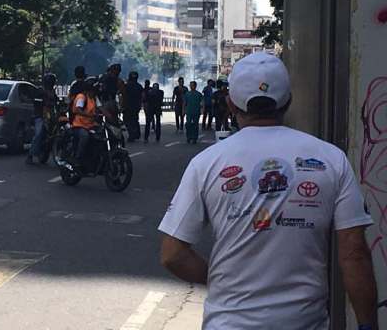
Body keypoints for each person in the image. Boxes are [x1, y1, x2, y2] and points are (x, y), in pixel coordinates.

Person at [159, 53, 378, 330]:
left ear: (230, 103)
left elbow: (172, 254)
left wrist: (222, 280)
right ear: (288, 101)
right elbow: (354, 254)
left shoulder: (206, 163)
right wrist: (368, 325)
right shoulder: (331, 159)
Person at [26, 73, 58, 164]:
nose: (51, 83)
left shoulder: (53, 92)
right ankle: (30, 155)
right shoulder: (40, 91)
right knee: (39, 133)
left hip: (51, 115)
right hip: (40, 115)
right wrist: (43, 103)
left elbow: (57, 102)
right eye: (50, 82)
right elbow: (36, 101)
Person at [71, 77, 99, 171]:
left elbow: (101, 108)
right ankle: (78, 159)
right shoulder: (81, 97)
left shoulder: (94, 98)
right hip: (79, 125)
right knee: (85, 136)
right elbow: (78, 109)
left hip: (91, 125)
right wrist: (90, 115)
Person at [123, 71, 142, 142]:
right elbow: (142, 96)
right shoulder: (139, 86)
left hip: (128, 106)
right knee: (135, 119)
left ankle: (132, 134)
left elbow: (123, 95)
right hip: (136, 106)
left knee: (127, 120)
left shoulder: (126, 85)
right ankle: (136, 133)